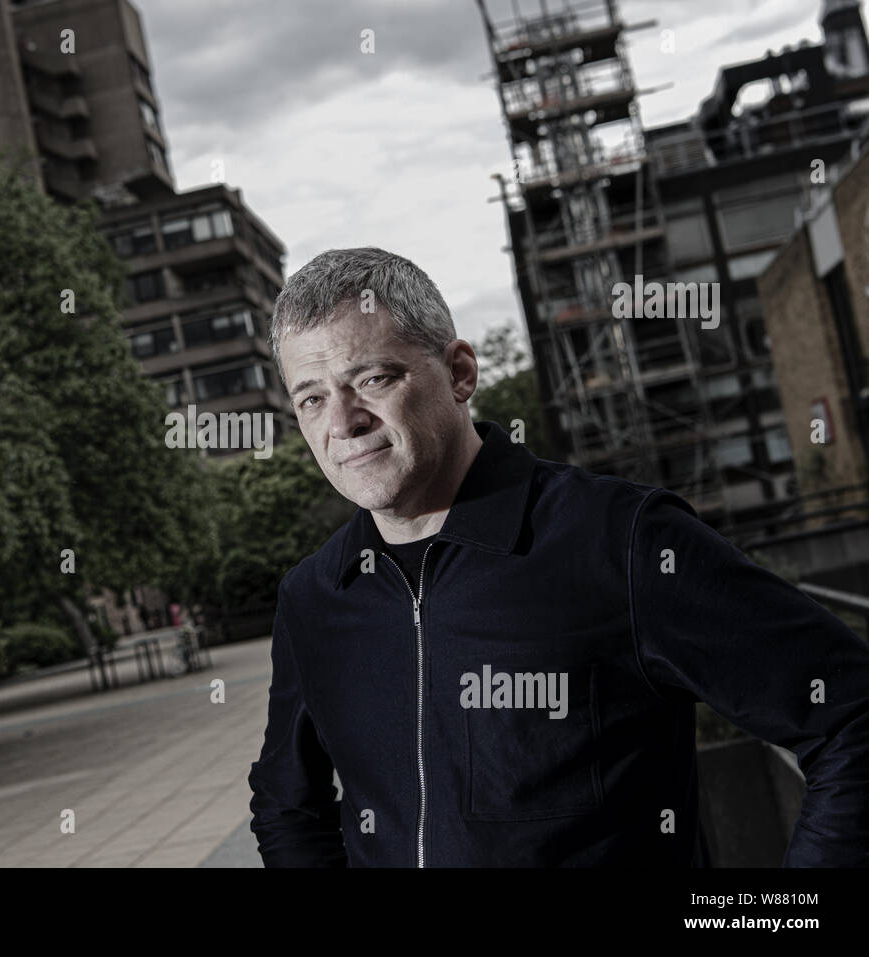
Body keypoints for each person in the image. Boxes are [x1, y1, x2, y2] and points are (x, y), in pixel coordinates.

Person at [247, 246, 869, 867]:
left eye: (373, 379)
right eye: (312, 398)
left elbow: (850, 716)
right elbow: (285, 803)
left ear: (460, 372)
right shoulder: (314, 597)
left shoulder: (619, 541)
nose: (343, 422)